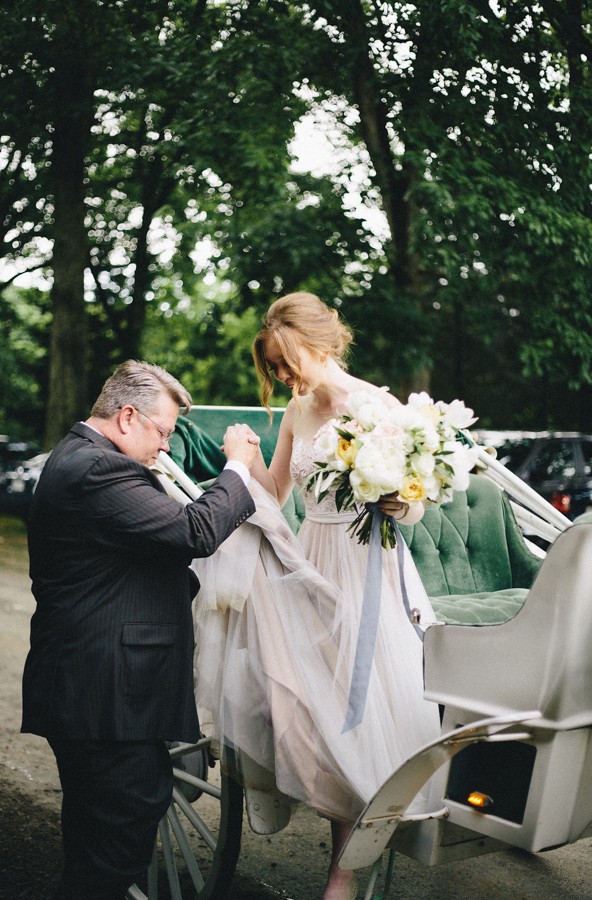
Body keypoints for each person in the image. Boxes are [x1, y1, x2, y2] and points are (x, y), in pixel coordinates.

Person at [192, 293, 441, 900]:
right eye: (273, 367)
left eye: (285, 361)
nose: (282, 376)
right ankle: (342, 842)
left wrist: (399, 501)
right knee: (309, 710)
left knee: (355, 718)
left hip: (366, 569)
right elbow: (276, 491)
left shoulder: (378, 407)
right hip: (311, 560)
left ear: (318, 342)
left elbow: (414, 498)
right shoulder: (299, 410)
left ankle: (343, 873)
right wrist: (246, 463)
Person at [21, 360, 259, 900]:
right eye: (163, 433)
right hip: (105, 695)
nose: (166, 449)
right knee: (115, 845)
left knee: (95, 840)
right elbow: (196, 531)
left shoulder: (83, 458)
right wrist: (238, 468)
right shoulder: (97, 470)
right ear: (128, 416)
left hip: (92, 690)